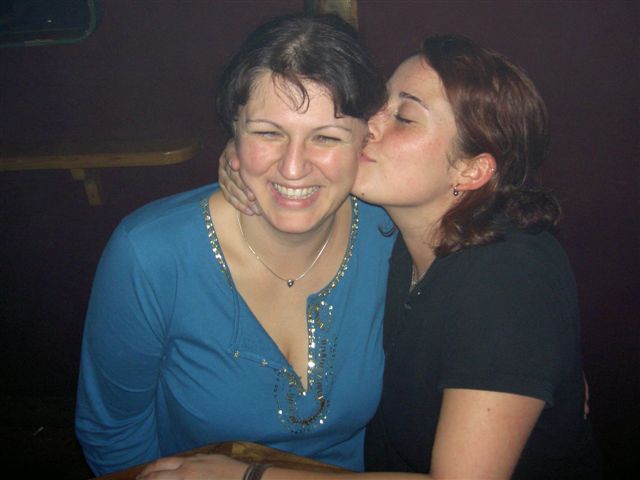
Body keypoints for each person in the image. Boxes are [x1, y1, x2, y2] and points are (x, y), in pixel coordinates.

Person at [143, 33, 601, 479]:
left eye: (404, 117)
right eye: (378, 104)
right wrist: (250, 147)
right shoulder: (400, 233)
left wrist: (250, 476)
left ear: (470, 169)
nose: (369, 124)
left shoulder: (505, 281)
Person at [75, 13, 395, 476]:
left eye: (326, 137)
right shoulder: (149, 255)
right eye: (267, 133)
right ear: (234, 130)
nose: (293, 167)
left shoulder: (392, 233)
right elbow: (114, 432)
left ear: (368, 138)